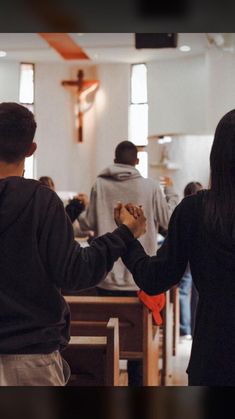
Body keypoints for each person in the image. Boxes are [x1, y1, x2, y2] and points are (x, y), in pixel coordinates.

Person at [0, 102, 146, 386]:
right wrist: (125, 234)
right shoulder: (42, 202)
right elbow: (75, 272)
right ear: (31, 149)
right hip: (32, 355)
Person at [116, 109, 235, 386]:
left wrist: (127, 237)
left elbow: (155, 279)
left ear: (215, 156)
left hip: (214, 355)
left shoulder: (195, 210)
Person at [78, 140, 178, 385]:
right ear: (137, 161)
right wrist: (172, 194)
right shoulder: (152, 187)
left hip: (106, 280)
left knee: (104, 349)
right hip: (140, 280)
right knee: (140, 352)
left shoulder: (99, 185)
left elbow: (88, 222)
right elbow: (168, 221)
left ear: (114, 160)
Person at [179, 182, 202, 340]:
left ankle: (185, 329)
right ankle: (194, 330)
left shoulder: (185, 209)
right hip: (203, 256)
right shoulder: (208, 209)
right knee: (198, 293)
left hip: (187, 255)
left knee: (183, 291)